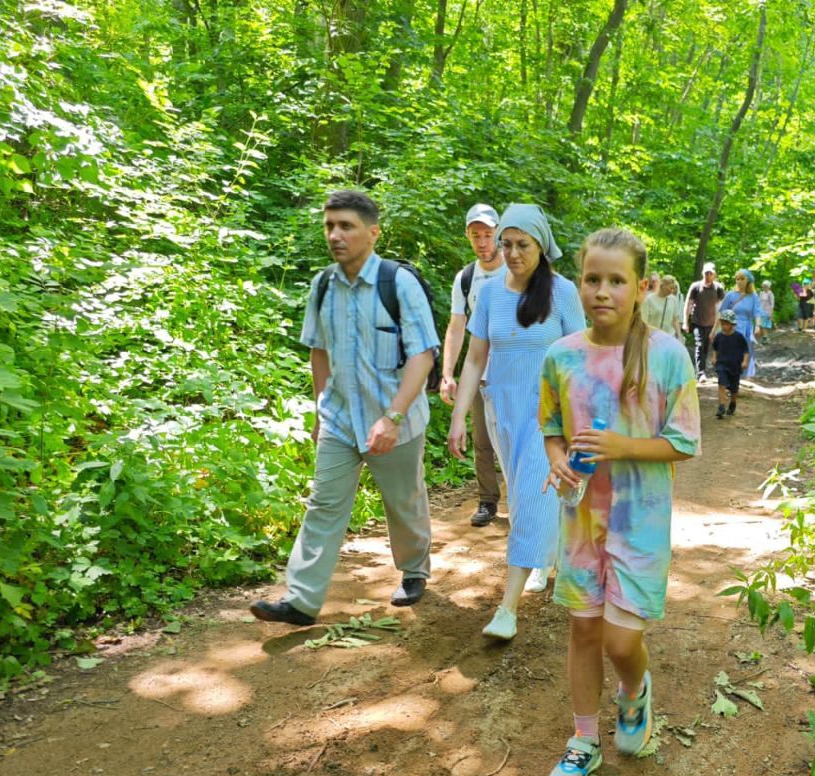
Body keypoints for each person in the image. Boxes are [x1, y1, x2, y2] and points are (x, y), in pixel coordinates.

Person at [539, 227, 700, 776]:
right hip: (582, 521)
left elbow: (684, 441)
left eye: (616, 280)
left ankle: (634, 691)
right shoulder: (561, 356)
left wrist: (622, 447)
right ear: (578, 283)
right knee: (584, 631)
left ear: (642, 287)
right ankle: (583, 742)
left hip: (640, 522)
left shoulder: (667, 355)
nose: (602, 291)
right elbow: (552, 428)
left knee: (620, 642)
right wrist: (557, 461)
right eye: (592, 279)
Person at [251, 190, 439, 625]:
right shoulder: (323, 285)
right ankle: (301, 601)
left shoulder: (398, 283)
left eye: (346, 226)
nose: (335, 235)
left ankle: (414, 570)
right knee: (323, 504)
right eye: (330, 226)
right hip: (339, 419)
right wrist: (321, 409)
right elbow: (319, 350)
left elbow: (422, 356)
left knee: (403, 501)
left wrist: (392, 417)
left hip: (395, 420)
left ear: (373, 233)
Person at [447, 204, 586, 640]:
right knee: (527, 498)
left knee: (531, 494)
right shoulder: (489, 294)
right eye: (505, 244)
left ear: (541, 246)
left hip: (549, 418)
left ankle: (507, 609)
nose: (512, 253)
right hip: (501, 412)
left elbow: (581, 360)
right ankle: (551, 552)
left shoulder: (563, 293)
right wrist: (458, 416)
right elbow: (475, 359)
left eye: (522, 244)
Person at [439, 203, 506, 528]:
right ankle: (487, 500)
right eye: (476, 235)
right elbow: (456, 326)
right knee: (482, 439)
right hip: (480, 371)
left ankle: (528, 498)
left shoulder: (516, 270)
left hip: (515, 369)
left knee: (521, 435)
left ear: (498, 234)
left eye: (488, 235)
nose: (482, 242)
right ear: (468, 236)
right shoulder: (465, 278)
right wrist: (447, 373)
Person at [684, 262, 724, 381]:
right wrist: (685, 321)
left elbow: (721, 308)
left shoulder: (718, 288)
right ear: (703, 274)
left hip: (711, 323)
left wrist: (717, 327)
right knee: (699, 344)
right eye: (706, 273)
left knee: (706, 347)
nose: (708, 275)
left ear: (714, 275)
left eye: (710, 273)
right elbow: (688, 303)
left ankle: (701, 370)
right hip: (697, 321)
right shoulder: (696, 287)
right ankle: (700, 373)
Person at [722, 268, 764, 379]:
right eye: (737, 279)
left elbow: (757, 313)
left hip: (747, 328)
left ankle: (744, 377)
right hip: (732, 327)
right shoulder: (730, 295)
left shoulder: (753, 296)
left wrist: (758, 326)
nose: (739, 281)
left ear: (748, 280)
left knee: (746, 352)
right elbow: (722, 313)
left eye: (742, 279)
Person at [711, 311, 748, 419]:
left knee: (734, 389)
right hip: (722, 364)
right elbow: (715, 348)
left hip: (735, 366)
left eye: (726, 324)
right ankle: (721, 406)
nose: (723, 326)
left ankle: (733, 402)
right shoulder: (719, 336)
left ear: (732, 324)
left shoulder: (739, 337)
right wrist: (714, 358)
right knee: (721, 384)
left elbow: (746, 350)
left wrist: (745, 361)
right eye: (722, 324)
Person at [641, 274, 683, 339]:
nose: (672, 291)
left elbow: (675, 320)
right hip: (652, 337)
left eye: (673, 288)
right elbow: (644, 321)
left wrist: (679, 335)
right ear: (663, 286)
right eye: (671, 288)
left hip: (668, 337)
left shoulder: (673, 300)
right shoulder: (649, 299)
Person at [758, 279, 775, 344]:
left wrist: (771, 314)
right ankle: (765, 337)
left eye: (765, 286)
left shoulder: (770, 294)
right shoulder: (761, 293)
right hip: (761, 311)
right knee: (761, 325)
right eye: (763, 286)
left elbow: (772, 304)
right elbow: (759, 302)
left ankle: (765, 338)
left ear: (768, 286)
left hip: (767, 312)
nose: (764, 287)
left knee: (764, 325)